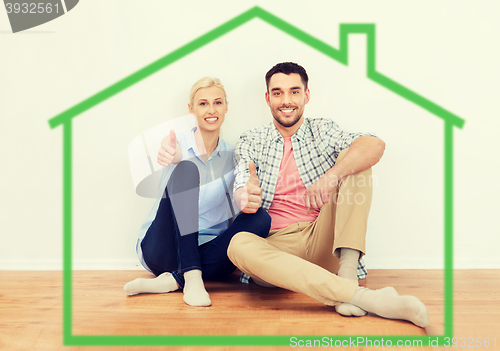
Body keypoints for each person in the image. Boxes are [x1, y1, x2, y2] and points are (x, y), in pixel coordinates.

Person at [227, 62, 429, 327]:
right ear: (267, 98)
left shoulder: (322, 130)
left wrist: (331, 176)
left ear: (306, 96)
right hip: (277, 249)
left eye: (294, 92)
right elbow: (245, 170)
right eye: (277, 93)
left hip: (321, 237)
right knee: (238, 244)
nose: (286, 101)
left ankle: (347, 272)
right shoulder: (251, 139)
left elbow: (374, 145)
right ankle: (367, 298)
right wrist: (245, 191)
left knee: (356, 158)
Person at [124, 77, 271, 307]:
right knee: (186, 168)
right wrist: (172, 156)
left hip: (209, 252)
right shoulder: (177, 143)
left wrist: (246, 196)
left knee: (261, 218)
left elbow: (240, 193)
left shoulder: (234, 155)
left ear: (226, 107)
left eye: (217, 102)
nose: (211, 110)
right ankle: (191, 275)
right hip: (163, 249)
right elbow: (168, 147)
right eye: (203, 103)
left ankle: (175, 279)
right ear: (191, 109)